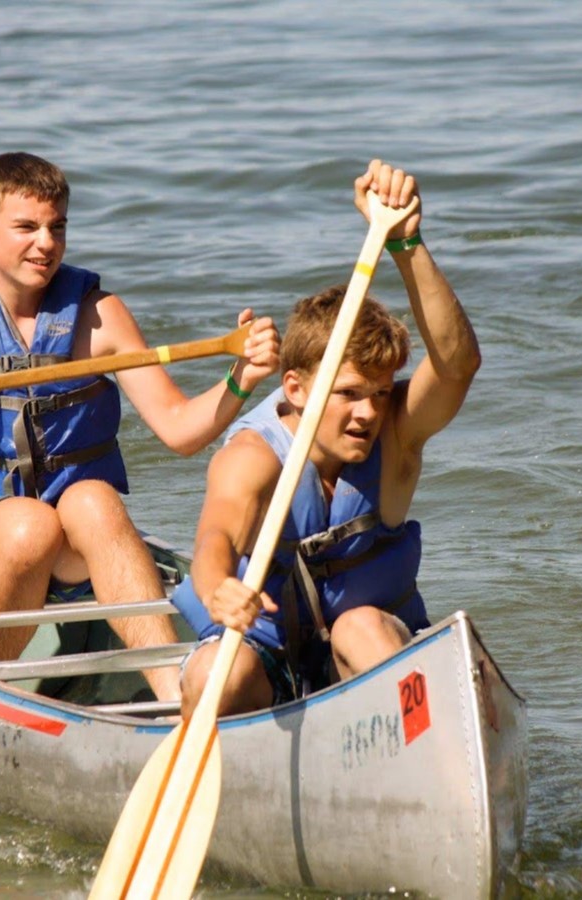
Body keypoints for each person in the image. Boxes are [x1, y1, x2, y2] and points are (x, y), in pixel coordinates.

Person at [0, 151, 279, 702]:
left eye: (56, 227)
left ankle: (172, 694)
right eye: (26, 227)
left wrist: (242, 379)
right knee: (28, 524)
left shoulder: (99, 314)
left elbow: (180, 431)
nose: (45, 242)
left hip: (75, 539)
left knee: (93, 498)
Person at [172, 160, 480, 719]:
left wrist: (406, 242)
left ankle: (423, 745)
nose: (369, 413)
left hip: (367, 656)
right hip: (268, 656)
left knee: (360, 626)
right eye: (349, 394)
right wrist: (219, 588)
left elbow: (457, 366)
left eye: (381, 393)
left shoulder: (397, 433)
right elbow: (216, 532)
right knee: (217, 673)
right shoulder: (253, 456)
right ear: (295, 387)